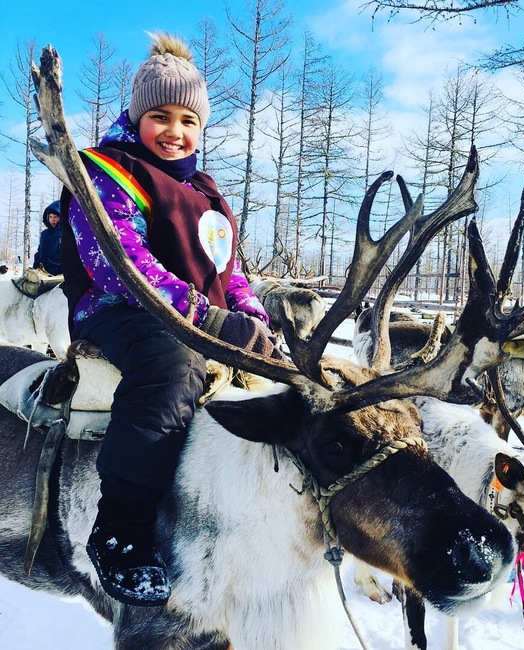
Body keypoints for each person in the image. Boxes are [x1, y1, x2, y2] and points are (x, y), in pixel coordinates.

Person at [60, 32, 282, 607]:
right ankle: (120, 530)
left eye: (188, 119)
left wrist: (253, 316)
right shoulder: (106, 171)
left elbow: (229, 271)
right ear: (137, 116)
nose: (174, 130)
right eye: (160, 115)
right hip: (118, 312)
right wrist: (208, 320)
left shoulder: (204, 192)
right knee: (173, 366)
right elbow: (120, 264)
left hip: (192, 318)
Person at [33, 200, 62, 275]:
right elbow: (40, 251)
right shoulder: (44, 234)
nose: (52, 219)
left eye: (55, 216)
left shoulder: (64, 233)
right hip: (44, 272)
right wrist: (36, 265)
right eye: (50, 216)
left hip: (59, 273)